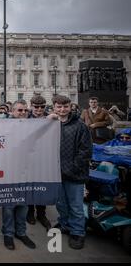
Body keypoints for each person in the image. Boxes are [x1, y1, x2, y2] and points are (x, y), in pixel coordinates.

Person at [49, 95, 92, 250]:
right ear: (54, 107)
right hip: (56, 173)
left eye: (65, 106)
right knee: (61, 204)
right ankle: (65, 224)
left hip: (75, 173)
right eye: (59, 107)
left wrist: (73, 167)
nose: (62, 109)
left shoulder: (80, 126)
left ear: (70, 107)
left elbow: (85, 151)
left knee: (76, 206)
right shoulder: (50, 124)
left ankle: (78, 232)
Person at [2, 100, 36, 250]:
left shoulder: (33, 125)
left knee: (24, 203)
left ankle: (21, 232)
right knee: (9, 205)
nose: (22, 113)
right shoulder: (2, 125)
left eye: (25, 110)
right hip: (8, 170)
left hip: (27, 170)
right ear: (12, 111)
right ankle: (8, 233)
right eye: (19, 110)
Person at [26, 95, 52, 230]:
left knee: (43, 186)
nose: (39, 109)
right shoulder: (25, 118)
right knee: (30, 186)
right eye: (36, 107)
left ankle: (42, 214)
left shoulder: (52, 119)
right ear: (31, 106)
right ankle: (30, 212)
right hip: (29, 157)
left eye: (42, 107)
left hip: (45, 157)